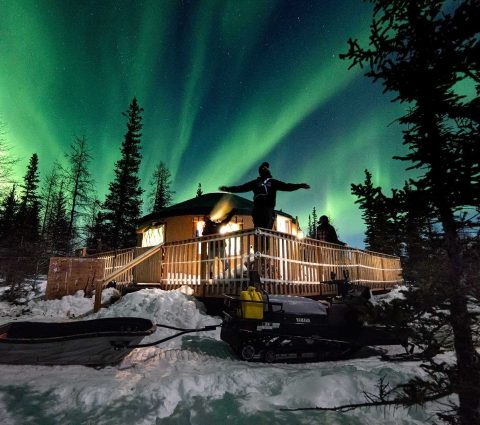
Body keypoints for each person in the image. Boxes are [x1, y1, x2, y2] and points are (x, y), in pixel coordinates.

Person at [219, 162, 310, 230]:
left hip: (268, 210)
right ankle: (258, 252)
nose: (265, 169)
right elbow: (242, 188)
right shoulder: (255, 183)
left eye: (266, 168)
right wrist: (228, 189)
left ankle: (265, 252)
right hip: (258, 210)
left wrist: (300, 185)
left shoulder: (272, 182)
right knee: (258, 230)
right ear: (260, 171)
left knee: (267, 231)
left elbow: (286, 186)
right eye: (263, 168)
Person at [202, 208, 236, 273]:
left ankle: (227, 275)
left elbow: (226, 221)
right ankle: (210, 275)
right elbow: (204, 233)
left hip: (220, 246)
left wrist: (231, 213)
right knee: (210, 262)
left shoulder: (216, 225)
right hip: (213, 247)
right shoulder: (208, 226)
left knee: (224, 262)